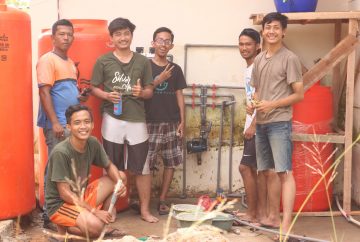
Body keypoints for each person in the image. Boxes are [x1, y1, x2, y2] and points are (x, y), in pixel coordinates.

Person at [90, 17, 158, 223]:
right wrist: (106, 96)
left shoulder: (142, 61)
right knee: (111, 166)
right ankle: (111, 209)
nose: (122, 37)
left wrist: (141, 92)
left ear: (131, 35)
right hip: (112, 119)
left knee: (143, 168)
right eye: (118, 34)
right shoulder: (103, 61)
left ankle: (145, 210)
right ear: (111, 38)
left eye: (126, 33)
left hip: (137, 119)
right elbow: (93, 87)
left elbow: (149, 91)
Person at [247, 12, 304, 238]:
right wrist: (253, 106)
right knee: (268, 171)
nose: (271, 31)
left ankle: (286, 224)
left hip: (280, 123)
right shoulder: (259, 59)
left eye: (276, 28)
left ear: (283, 32)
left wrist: (273, 104)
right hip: (261, 123)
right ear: (263, 31)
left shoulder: (289, 58)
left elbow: (299, 95)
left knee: (284, 173)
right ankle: (272, 217)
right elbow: (257, 92)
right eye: (268, 27)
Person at [45, 104, 127, 238]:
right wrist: (94, 211)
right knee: (96, 229)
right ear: (69, 127)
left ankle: (103, 222)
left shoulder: (92, 142)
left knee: (121, 177)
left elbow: (109, 165)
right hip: (61, 205)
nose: (83, 126)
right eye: (77, 123)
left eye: (86, 122)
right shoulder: (61, 152)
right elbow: (65, 194)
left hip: (81, 196)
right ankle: (65, 230)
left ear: (93, 125)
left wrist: (120, 183)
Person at [37, 19, 89, 229]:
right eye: (62, 34)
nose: (66, 38)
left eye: (69, 34)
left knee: (66, 169)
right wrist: (55, 122)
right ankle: (50, 215)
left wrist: (80, 98)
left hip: (70, 124)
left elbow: (67, 93)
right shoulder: (47, 60)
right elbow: (44, 92)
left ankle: (63, 212)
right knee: (56, 169)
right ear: (53, 38)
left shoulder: (68, 62)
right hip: (57, 126)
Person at [144, 27, 186, 215]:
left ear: (172, 45)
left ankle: (162, 199)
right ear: (153, 43)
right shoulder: (144, 66)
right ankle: (142, 201)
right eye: (160, 40)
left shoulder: (176, 69)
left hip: (171, 122)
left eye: (167, 41)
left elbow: (179, 96)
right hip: (149, 122)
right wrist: (158, 80)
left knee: (170, 162)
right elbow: (142, 91)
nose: (163, 44)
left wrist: (182, 121)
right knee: (145, 163)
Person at [237, 28, 271, 224]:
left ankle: (255, 214)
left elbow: (267, 98)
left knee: (246, 167)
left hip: (259, 126)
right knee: (255, 169)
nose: (244, 48)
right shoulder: (250, 67)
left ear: (258, 45)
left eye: (248, 44)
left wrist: (254, 125)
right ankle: (257, 213)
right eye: (241, 44)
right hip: (252, 124)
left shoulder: (258, 67)